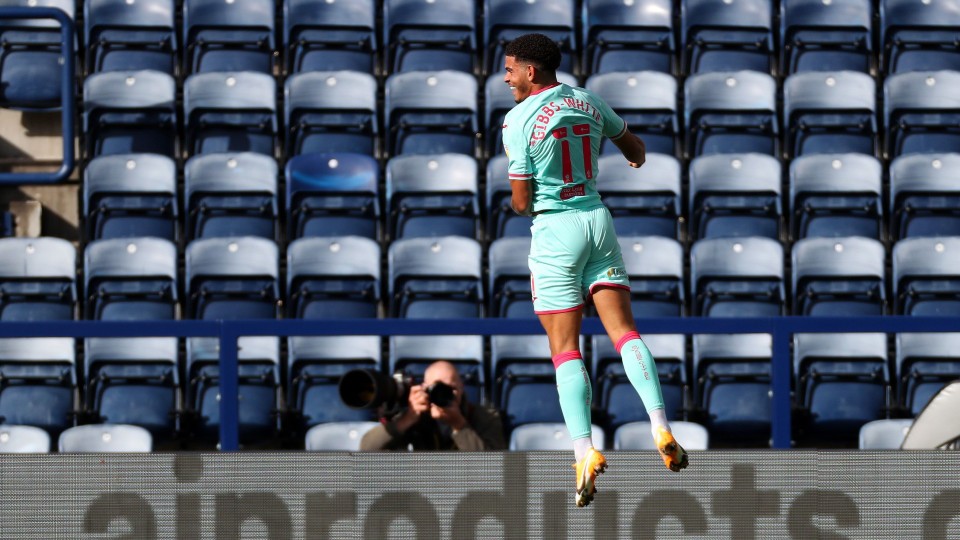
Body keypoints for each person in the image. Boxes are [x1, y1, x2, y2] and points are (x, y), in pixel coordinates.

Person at [501, 33, 689, 507]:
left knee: (566, 350)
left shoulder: (518, 119)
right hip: (597, 219)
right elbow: (636, 147)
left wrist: (527, 195)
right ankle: (660, 425)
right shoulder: (587, 100)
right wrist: (629, 154)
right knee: (625, 332)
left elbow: (521, 202)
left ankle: (584, 451)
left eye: (510, 69)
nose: (505, 77)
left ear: (531, 71)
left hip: (556, 229)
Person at [360, 360, 506, 451]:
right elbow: (367, 448)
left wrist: (459, 425)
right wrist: (407, 419)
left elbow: (494, 468)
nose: (443, 394)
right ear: (424, 388)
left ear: (461, 388)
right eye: (436, 388)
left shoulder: (484, 417)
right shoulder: (417, 416)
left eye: (450, 388)